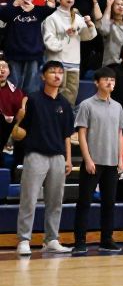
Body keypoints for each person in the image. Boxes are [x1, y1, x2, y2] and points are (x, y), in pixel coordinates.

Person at [12, 61, 75, 255]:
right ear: (43, 76)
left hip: (57, 157)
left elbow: (67, 135)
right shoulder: (33, 99)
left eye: (60, 72)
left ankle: (51, 239)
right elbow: (20, 131)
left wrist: (68, 159)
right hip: (36, 155)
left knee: (55, 201)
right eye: (53, 72)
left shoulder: (65, 103)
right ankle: (23, 240)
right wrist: (19, 120)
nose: (57, 76)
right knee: (29, 199)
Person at [72, 68, 123, 255]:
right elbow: (82, 133)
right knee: (84, 202)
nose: (110, 83)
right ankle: (79, 241)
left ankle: (106, 239)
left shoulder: (118, 106)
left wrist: (120, 159)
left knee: (109, 203)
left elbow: (120, 134)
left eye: (112, 80)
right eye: (106, 79)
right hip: (93, 162)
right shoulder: (87, 105)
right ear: (97, 82)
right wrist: (87, 159)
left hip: (112, 163)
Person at [42, 0, 97, 105]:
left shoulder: (77, 18)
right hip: (56, 63)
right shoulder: (52, 18)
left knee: (71, 97)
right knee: (54, 96)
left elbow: (87, 36)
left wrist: (90, 25)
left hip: (74, 64)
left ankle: (65, 121)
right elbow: (49, 42)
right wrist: (66, 36)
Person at [0, 0, 54, 94]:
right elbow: (2, 14)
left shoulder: (38, 10)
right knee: (13, 86)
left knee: (32, 89)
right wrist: (15, 4)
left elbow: (52, 8)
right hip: (14, 54)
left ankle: (29, 111)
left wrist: (35, 6)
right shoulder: (11, 8)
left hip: (33, 54)